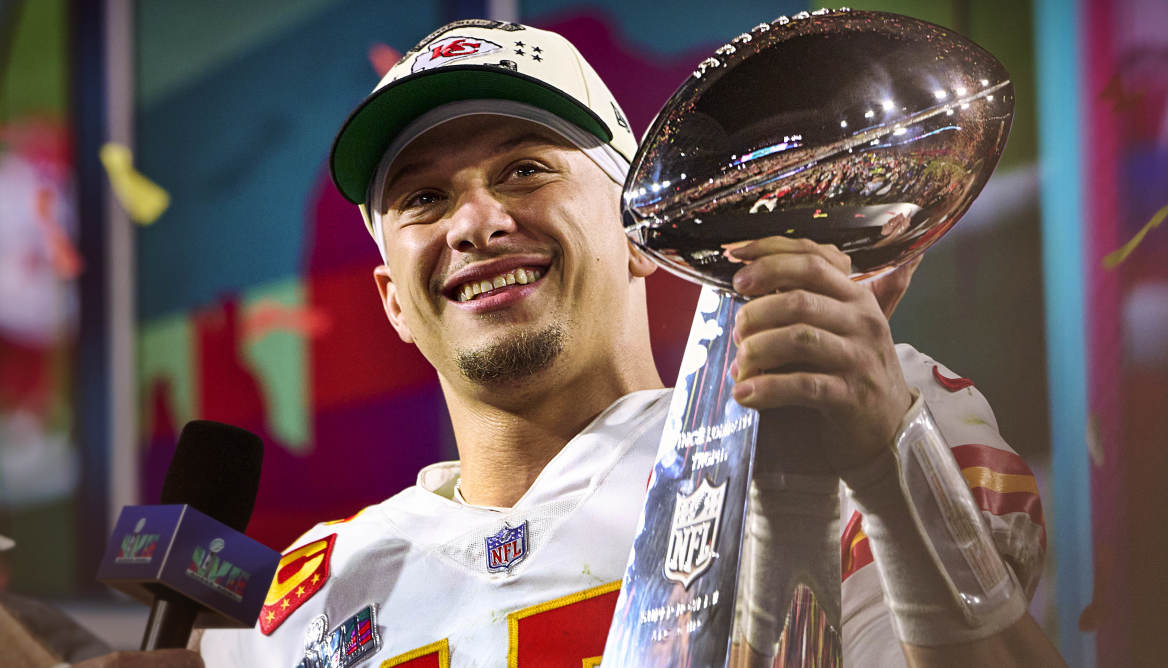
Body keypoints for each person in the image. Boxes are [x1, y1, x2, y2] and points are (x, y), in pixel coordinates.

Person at [100, 18, 1063, 668]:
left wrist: (888, 465)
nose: (476, 222)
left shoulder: (847, 405)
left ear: (644, 233)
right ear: (393, 299)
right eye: (425, 198)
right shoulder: (321, 582)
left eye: (525, 169)